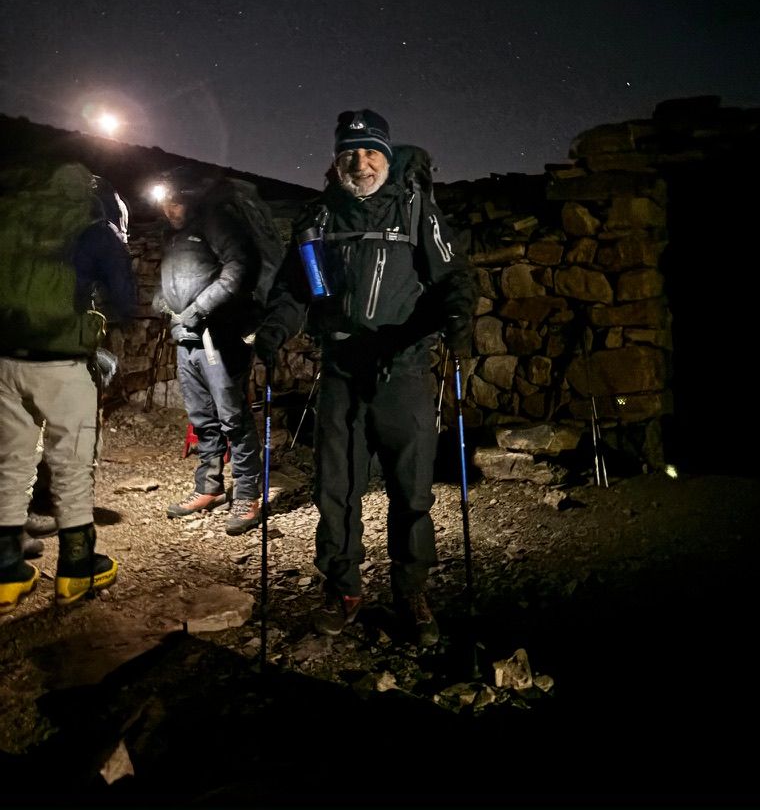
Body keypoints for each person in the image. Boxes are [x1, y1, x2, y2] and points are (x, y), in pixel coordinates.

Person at [252, 109, 476, 646]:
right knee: (336, 487)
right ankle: (343, 587)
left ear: (387, 156)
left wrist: (458, 317)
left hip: (402, 368)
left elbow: (451, 275)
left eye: (371, 151)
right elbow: (297, 289)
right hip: (341, 369)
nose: (361, 162)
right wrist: (273, 332)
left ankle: (410, 590)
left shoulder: (415, 207)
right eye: (349, 153)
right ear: (335, 161)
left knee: (411, 488)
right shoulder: (317, 220)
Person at [0, 160, 136, 614]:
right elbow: (125, 302)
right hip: (62, 364)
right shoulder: (94, 229)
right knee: (72, 464)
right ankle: (77, 569)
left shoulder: (10, 221)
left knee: (11, 463)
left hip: (5, 359)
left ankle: (6, 573)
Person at [154, 166, 264, 536]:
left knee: (233, 417)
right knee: (201, 416)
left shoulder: (216, 221)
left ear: (189, 198)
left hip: (219, 335)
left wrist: (200, 307)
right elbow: (169, 277)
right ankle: (209, 487)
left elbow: (240, 266)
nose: (169, 208)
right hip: (186, 336)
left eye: (174, 201)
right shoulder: (173, 235)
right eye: (164, 202)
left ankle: (247, 494)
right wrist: (161, 300)